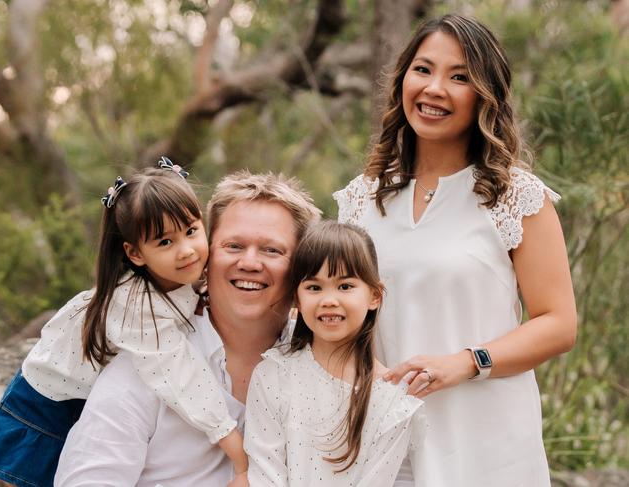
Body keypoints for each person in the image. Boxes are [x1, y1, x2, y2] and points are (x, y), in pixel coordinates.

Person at [334, 14, 577, 487]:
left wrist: (466, 363)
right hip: (386, 443)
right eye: (423, 69)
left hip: (487, 444)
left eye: (459, 77)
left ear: (485, 95)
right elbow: (339, 318)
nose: (434, 88)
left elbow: (558, 323)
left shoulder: (517, 197)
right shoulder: (360, 200)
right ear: (402, 78)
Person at [0, 159, 246, 487]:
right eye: (165, 242)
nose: (186, 251)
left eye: (191, 231)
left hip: (87, 394)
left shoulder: (183, 272)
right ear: (135, 254)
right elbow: (180, 376)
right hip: (52, 402)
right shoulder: (133, 304)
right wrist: (231, 440)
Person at [54, 171, 321, 486]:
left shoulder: (320, 365)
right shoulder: (147, 365)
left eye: (271, 250)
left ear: (302, 266)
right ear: (208, 255)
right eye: (234, 246)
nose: (249, 263)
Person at [244, 221, 426, 487]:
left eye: (345, 286)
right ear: (298, 298)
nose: (329, 300)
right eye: (314, 287)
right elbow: (264, 472)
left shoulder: (394, 399)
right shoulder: (274, 375)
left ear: (375, 296)